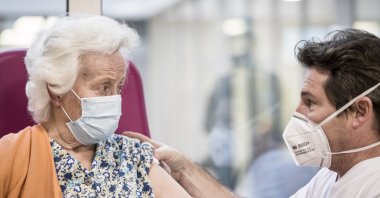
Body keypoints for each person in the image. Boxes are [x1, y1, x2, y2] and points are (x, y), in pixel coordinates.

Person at [126, 28, 380, 198]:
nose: (298, 113)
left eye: (310, 103)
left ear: (360, 111)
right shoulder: (332, 175)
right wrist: (185, 169)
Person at [0, 15, 192, 198]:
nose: (115, 98)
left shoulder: (132, 155)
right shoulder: (12, 156)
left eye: (119, 86)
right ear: (56, 91)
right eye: (104, 87)